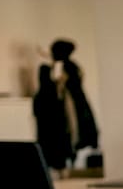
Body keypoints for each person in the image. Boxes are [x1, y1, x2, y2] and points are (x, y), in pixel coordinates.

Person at [33, 38, 98, 172]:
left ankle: (66, 162)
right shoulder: (50, 69)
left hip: (66, 110)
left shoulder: (69, 68)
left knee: (70, 134)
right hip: (54, 111)